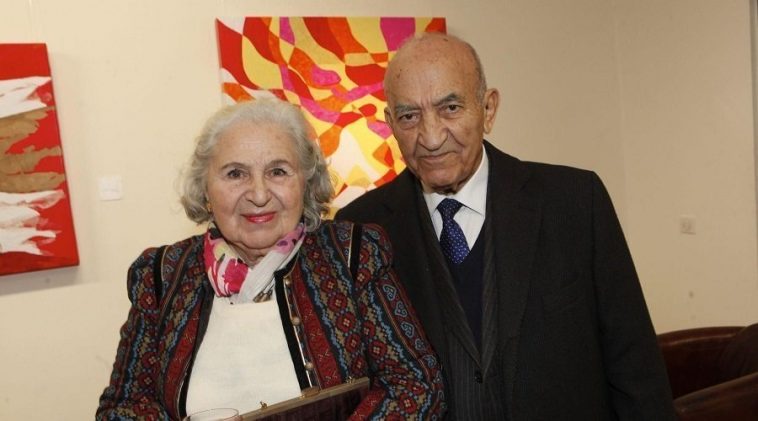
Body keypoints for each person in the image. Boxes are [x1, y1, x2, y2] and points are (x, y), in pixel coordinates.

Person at [336, 33, 676, 420]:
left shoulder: (575, 202)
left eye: (450, 108)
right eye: (409, 116)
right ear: (390, 124)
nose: (430, 137)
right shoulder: (358, 231)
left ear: (488, 109)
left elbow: (636, 368)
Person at [97, 98, 445, 420]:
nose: (259, 194)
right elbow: (124, 406)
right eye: (235, 174)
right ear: (205, 188)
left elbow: (415, 384)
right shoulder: (163, 275)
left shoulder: (352, 255)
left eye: (278, 171)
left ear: (306, 182)